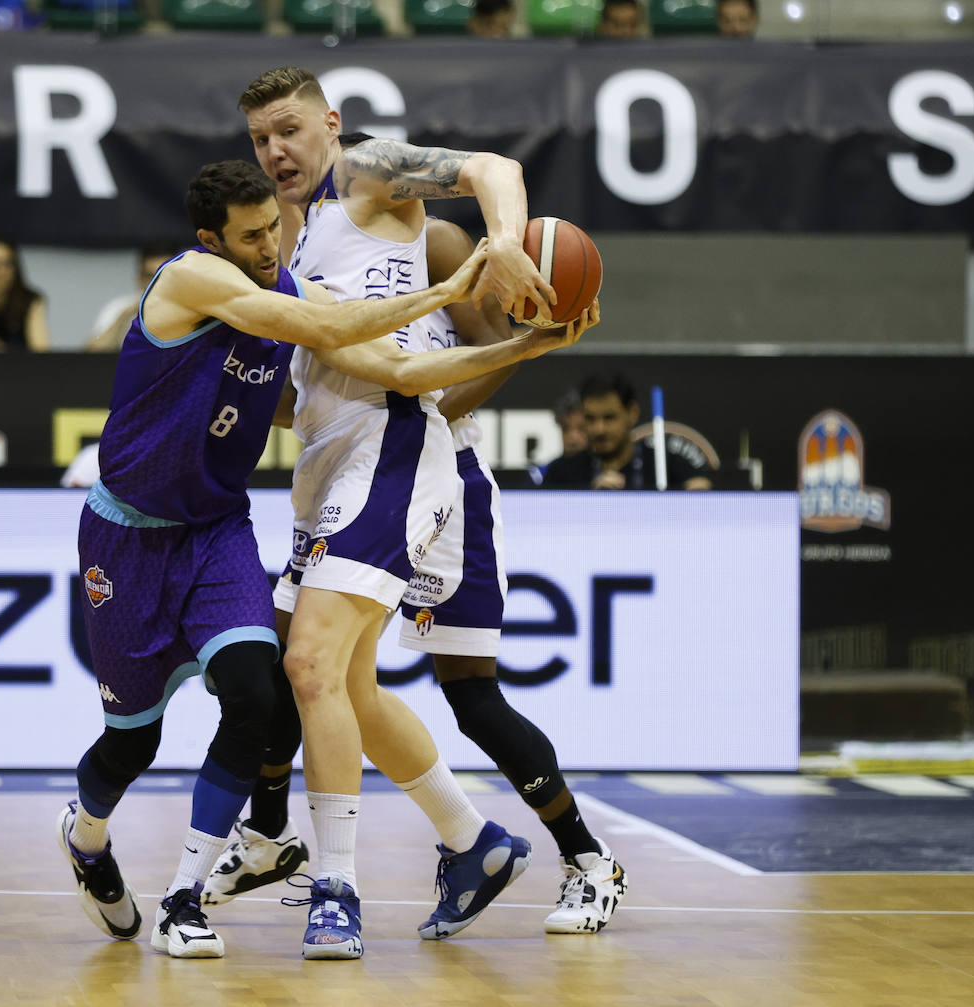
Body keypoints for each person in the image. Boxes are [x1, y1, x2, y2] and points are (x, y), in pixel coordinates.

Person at [58, 159, 575, 960]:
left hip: (218, 530)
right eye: (251, 235)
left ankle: (193, 895)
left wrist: (527, 347)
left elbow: (403, 372)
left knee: (271, 690)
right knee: (135, 741)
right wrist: (450, 288)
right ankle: (87, 836)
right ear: (211, 239)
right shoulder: (195, 278)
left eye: (274, 227)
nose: (271, 245)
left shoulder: (293, 290)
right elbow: (333, 332)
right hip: (127, 532)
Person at [236, 65, 585, 959]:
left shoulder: (367, 173)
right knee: (341, 684)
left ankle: (336, 886)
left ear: (330, 124)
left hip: (394, 442)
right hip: (322, 454)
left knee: (309, 662)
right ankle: (474, 841)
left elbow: (493, 168)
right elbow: (301, 383)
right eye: (260, 137)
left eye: (289, 129)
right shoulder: (280, 234)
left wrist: (504, 242)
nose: (276, 150)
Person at [206, 217, 627, 936]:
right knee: (299, 662)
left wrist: (424, 406)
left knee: (470, 695)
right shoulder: (310, 252)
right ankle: (282, 832)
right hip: (356, 470)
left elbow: (495, 349)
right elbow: (302, 397)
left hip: (442, 470)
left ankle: (589, 859)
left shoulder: (436, 243)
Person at [537, 372, 713, 490]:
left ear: (632, 413)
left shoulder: (668, 465)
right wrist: (590, 501)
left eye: (609, 418)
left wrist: (697, 501)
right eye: (590, 419)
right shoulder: (561, 472)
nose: (599, 429)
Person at [85, 246, 178, 352]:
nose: (156, 283)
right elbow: (92, 354)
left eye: (163, 275)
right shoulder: (119, 307)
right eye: (150, 276)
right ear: (139, 278)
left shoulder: (194, 309)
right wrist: (125, 316)